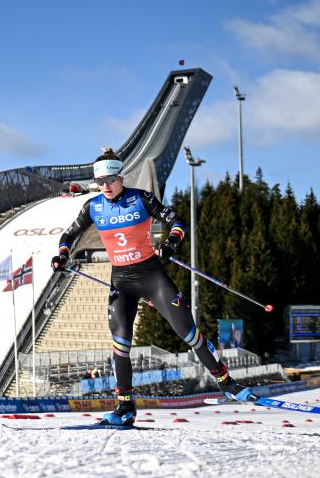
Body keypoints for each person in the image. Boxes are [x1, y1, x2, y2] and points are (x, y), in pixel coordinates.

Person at [51, 148, 253, 426]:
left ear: (121, 176)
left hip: (151, 276)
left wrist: (170, 244)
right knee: (120, 344)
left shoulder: (141, 199)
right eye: (101, 182)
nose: (106, 186)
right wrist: (62, 255)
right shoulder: (93, 207)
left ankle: (226, 382)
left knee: (188, 332)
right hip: (121, 282)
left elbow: (176, 222)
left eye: (111, 179)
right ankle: (125, 406)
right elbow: (69, 234)